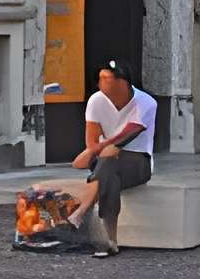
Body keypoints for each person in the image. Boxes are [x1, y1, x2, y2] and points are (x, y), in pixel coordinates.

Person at [64, 57, 156, 255]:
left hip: (139, 161)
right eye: (101, 78)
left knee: (106, 169)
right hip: (105, 161)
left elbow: (129, 133)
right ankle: (110, 241)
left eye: (109, 78)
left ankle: (82, 211)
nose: (104, 84)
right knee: (108, 174)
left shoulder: (146, 103)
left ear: (124, 82)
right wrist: (97, 151)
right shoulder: (96, 100)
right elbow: (91, 140)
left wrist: (98, 150)